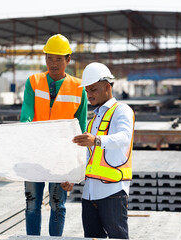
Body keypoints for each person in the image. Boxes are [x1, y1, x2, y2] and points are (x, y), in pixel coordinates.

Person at [20, 33, 88, 236]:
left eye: (58, 58)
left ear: (68, 59)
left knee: (58, 205)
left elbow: (81, 129)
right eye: (49, 57)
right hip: (35, 155)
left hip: (61, 158)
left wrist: (74, 169)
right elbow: (26, 116)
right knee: (32, 204)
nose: (53, 63)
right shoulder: (33, 82)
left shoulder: (78, 88)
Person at [72, 62, 134, 239]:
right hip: (91, 192)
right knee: (92, 237)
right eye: (87, 91)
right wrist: (73, 179)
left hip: (113, 191)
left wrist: (96, 140)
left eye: (93, 90)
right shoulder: (94, 120)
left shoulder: (122, 111)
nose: (89, 95)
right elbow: (89, 156)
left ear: (107, 87)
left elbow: (124, 138)